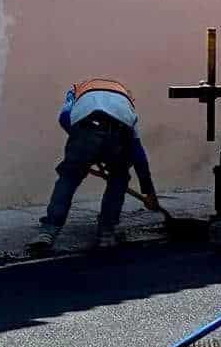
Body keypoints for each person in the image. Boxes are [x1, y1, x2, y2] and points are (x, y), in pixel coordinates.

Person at [29, 78, 161, 251]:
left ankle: (48, 231)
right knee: (119, 177)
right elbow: (138, 154)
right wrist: (149, 192)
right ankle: (106, 232)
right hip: (118, 133)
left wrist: (82, 143)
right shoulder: (125, 103)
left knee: (69, 177)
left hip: (84, 129)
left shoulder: (77, 91)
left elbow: (64, 117)